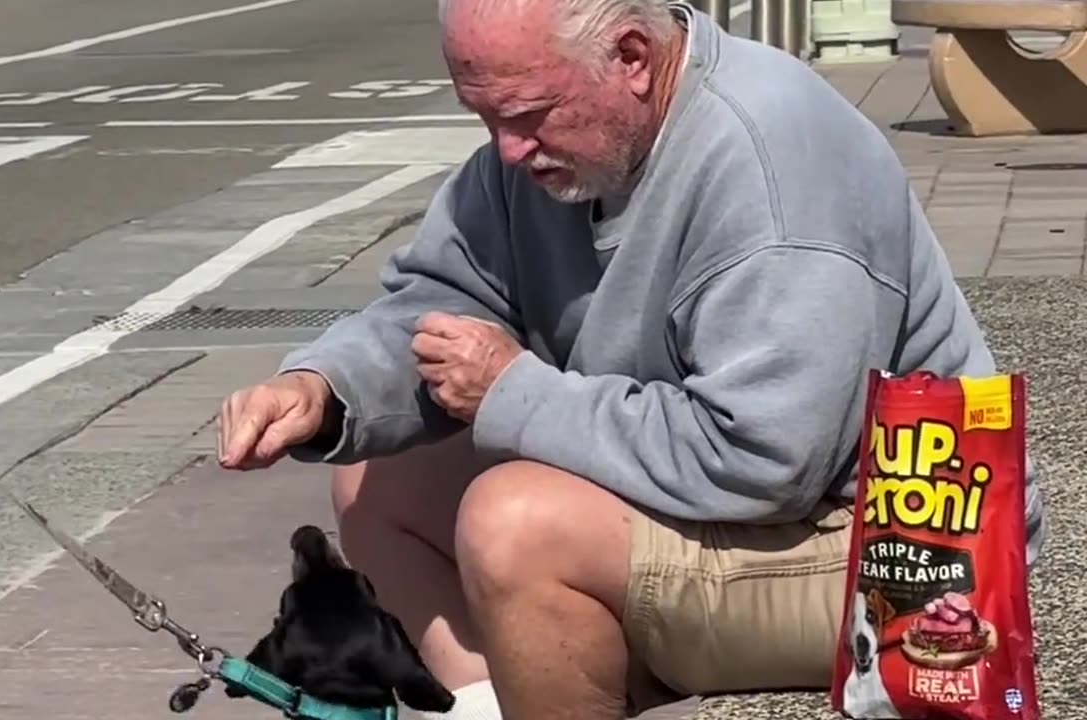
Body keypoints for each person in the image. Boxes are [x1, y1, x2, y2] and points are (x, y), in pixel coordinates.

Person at [216, 0, 1047, 718]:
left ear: (633, 58)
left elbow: (767, 459)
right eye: (486, 119)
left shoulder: (772, 161)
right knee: (378, 478)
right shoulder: (548, 153)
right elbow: (437, 306)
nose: (507, 151)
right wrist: (324, 387)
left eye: (529, 115)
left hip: (898, 548)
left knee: (517, 522)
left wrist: (515, 393)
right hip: (741, 496)